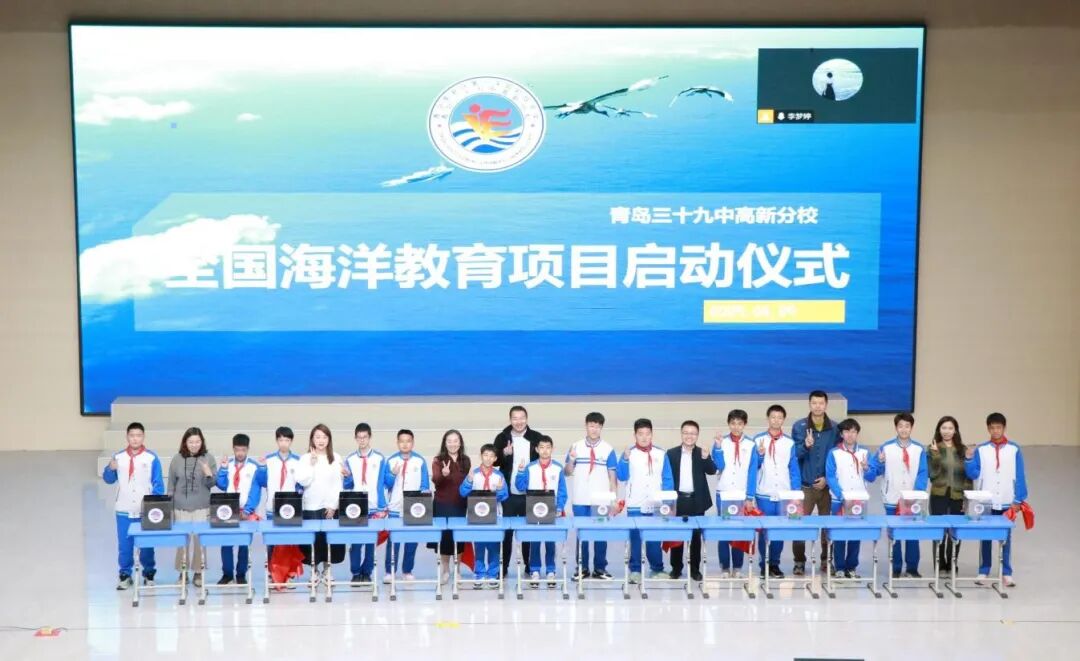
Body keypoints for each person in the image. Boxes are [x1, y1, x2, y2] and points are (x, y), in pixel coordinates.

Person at [965, 412, 1027, 587]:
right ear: (988, 429)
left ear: (1004, 428)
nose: (995, 431)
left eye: (998, 427)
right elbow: (973, 474)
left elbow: (1020, 475)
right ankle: (983, 570)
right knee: (985, 536)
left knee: (1005, 537)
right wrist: (969, 459)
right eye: (992, 428)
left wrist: (1018, 500)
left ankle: (1006, 572)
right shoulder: (981, 450)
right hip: (986, 500)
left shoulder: (1014, 449)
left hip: (1007, 500)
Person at [103, 422, 164, 590]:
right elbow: (108, 479)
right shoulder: (118, 457)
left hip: (145, 510)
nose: (135, 439)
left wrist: (155, 506)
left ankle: (149, 573)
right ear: (127, 437)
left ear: (143, 437)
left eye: (138, 435)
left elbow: (158, 484)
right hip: (123, 509)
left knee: (147, 544)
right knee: (125, 545)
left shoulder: (151, 458)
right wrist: (110, 468)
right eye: (132, 435)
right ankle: (125, 575)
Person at [867, 413, 929, 578]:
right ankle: (895, 567)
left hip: (912, 499)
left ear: (911, 428)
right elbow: (873, 472)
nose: (904, 429)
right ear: (896, 427)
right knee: (894, 534)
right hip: (891, 498)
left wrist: (915, 494)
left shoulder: (919, 449)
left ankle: (912, 568)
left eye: (907, 426)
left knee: (912, 533)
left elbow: (923, 473)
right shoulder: (886, 448)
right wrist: (879, 462)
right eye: (900, 426)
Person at [617, 418, 674, 584]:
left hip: (656, 505)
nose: (644, 437)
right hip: (635, 504)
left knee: (654, 539)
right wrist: (625, 459)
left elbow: (667, 479)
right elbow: (621, 476)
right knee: (635, 539)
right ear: (635, 435)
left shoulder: (661, 454)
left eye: (647, 434)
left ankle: (657, 569)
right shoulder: (629, 453)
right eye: (640, 434)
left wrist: (667, 502)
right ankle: (635, 570)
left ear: (652, 434)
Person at [564, 412, 618, 580]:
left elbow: (612, 477)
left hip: (601, 500)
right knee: (582, 534)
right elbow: (567, 472)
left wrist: (613, 499)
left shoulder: (608, 449)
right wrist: (571, 460)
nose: (594, 429)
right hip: (580, 498)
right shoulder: (576, 446)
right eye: (591, 426)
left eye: (598, 426)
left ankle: (600, 568)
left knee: (601, 534)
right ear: (586, 426)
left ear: (601, 427)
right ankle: (582, 568)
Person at [790, 390, 838, 576]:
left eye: (821, 403)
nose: (818, 406)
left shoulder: (835, 428)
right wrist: (806, 445)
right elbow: (795, 455)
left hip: (827, 487)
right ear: (809, 404)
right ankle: (799, 561)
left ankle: (826, 560)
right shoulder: (799, 426)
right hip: (806, 487)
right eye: (814, 403)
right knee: (799, 525)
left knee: (828, 526)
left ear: (826, 405)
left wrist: (827, 478)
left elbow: (836, 457)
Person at [493, 405, 543, 577]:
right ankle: (503, 567)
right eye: (515, 418)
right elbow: (493, 461)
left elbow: (543, 460)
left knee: (528, 532)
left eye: (522, 418)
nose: (519, 421)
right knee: (506, 533)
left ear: (527, 419)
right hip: (508, 494)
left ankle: (530, 567)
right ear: (510, 420)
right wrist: (503, 454)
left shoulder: (536, 437)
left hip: (530, 494)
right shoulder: (502, 437)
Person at [293, 424, 347, 583]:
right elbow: (302, 481)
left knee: (329, 540)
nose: (321, 440)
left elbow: (339, 484)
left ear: (329, 439)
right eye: (317, 437)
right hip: (311, 506)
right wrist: (311, 464)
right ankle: (314, 570)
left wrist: (333, 506)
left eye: (324, 437)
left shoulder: (336, 458)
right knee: (313, 541)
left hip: (330, 507)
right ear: (312, 439)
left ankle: (327, 569)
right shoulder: (305, 458)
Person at [754, 405, 801, 578]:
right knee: (764, 530)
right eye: (773, 417)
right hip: (764, 493)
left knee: (779, 531)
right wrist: (759, 456)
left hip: (783, 494)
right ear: (768, 418)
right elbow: (753, 467)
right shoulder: (758, 440)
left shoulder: (789, 443)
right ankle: (763, 564)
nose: (776, 420)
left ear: (783, 420)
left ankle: (774, 564)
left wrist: (795, 494)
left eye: (779, 417)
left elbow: (794, 469)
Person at [514, 435, 568, 587]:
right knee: (535, 541)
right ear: (537, 449)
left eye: (548, 447)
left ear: (552, 449)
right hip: (534, 511)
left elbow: (562, 491)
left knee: (551, 541)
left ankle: (551, 570)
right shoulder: (530, 467)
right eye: (542, 447)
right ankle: (535, 570)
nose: (545, 451)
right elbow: (520, 487)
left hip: (552, 511)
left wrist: (559, 507)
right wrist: (520, 472)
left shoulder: (558, 468)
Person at [666, 420, 717, 582]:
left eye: (693, 433)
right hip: (678, 500)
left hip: (697, 500)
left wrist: (706, 458)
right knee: (677, 536)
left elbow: (712, 471)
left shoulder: (702, 452)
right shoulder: (671, 453)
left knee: (695, 537)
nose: (689, 436)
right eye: (686, 433)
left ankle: (695, 569)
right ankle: (676, 568)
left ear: (697, 435)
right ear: (681, 434)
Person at [712, 409, 759, 577]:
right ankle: (724, 566)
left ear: (745, 424)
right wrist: (718, 448)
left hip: (741, 494)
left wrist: (749, 497)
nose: (736, 427)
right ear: (728, 424)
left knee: (739, 531)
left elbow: (752, 472)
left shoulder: (751, 445)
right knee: (724, 531)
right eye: (733, 423)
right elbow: (719, 466)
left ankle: (738, 567)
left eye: (739, 423)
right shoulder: (721, 442)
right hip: (724, 493)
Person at [380, 429, 431, 583]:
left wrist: (423, 499)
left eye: (408, 441)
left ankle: (407, 570)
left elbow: (425, 484)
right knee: (393, 541)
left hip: (414, 509)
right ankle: (389, 571)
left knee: (411, 541)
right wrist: (392, 474)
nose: (405, 444)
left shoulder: (420, 461)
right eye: (402, 441)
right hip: (395, 507)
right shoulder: (391, 461)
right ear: (397, 443)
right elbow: (386, 484)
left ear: (412, 443)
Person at [168, 427, 216, 588]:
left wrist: (208, 473)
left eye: (197, 441)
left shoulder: (208, 458)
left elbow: (212, 484)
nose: (194, 445)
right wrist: (169, 507)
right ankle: (182, 572)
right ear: (185, 442)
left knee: (199, 541)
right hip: (181, 507)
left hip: (201, 507)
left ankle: (198, 572)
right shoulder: (176, 459)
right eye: (191, 442)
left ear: (202, 442)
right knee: (182, 541)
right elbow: (171, 484)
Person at [825, 418, 873, 577]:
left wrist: (867, 468)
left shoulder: (865, 452)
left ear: (857, 433)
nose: (850, 435)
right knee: (839, 534)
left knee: (855, 534)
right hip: (839, 500)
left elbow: (872, 477)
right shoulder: (834, 453)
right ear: (841, 434)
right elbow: (830, 477)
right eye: (847, 431)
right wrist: (842, 496)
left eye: (853, 431)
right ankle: (839, 567)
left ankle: (851, 567)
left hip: (859, 501)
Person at [460, 443, 510, 588]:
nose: (488, 458)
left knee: (494, 546)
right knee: (479, 546)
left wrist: (499, 490)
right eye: (485, 455)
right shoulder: (473, 474)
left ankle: (493, 574)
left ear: (495, 459)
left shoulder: (499, 476)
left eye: (491, 456)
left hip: (494, 516)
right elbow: (462, 493)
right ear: (481, 456)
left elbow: (504, 496)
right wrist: (468, 482)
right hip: (476, 517)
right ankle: (479, 573)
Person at [215, 433, 260, 585]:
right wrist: (222, 469)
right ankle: (227, 574)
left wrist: (247, 510)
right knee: (226, 543)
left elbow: (255, 491)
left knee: (244, 544)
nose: (240, 453)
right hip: (228, 511)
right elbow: (221, 485)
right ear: (233, 449)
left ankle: (241, 574)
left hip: (245, 511)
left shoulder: (254, 467)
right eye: (237, 450)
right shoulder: (227, 465)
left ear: (248, 449)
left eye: (243, 450)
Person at [928, 416, 971, 575]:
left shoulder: (963, 450)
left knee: (955, 530)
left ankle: (952, 563)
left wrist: (967, 498)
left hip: (958, 495)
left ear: (955, 431)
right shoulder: (932, 449)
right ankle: (939, 564)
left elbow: (968, 476)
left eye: (950, 428)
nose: (947, 431)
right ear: (939, 430)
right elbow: (932, 475)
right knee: (939, 530)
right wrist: (936, 455)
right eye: (944, 428)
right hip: (938, 494)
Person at [343, 423, 386, 584]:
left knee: (370, 543)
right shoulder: (350, 459)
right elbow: (348, 485)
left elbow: (382, 483)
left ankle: (367, 572)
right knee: (355, 542)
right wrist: (347, 477)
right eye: (359, 437)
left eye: (365, 437)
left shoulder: (379, 458)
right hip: (356, 507)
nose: (362, 440)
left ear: (370, 437)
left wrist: (382, 507)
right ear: (355, 438)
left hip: (374, 506)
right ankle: (355, 572)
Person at [430, 429, 470, 584]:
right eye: (449, 441)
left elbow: (466, 482)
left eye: (456, 441)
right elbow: (436, 480)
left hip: (460, 503)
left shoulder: (465, 460)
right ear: (445, 443)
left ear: (460, 443)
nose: (453, 444)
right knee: (445, 538)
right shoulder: (438, 460)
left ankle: (457, 570)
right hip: (442, 504)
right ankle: (446, 570)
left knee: (459, 537)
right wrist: (443, 474)